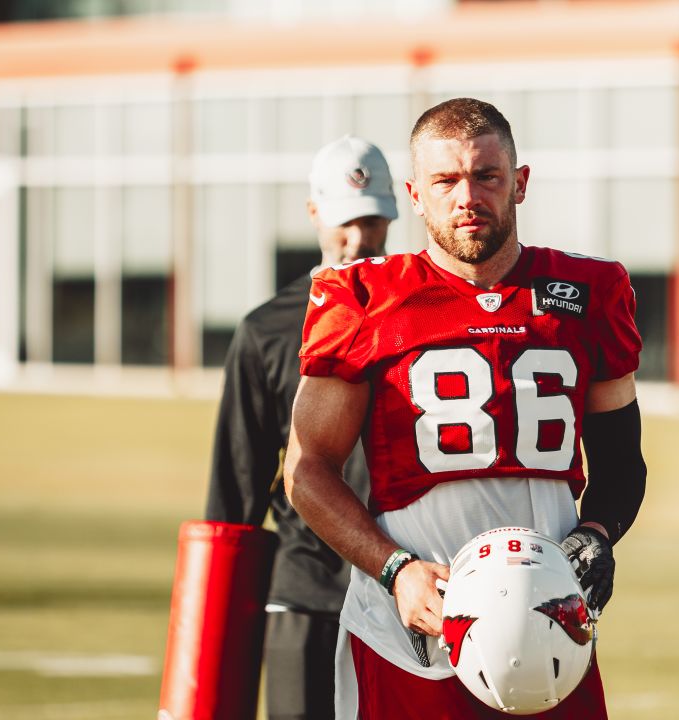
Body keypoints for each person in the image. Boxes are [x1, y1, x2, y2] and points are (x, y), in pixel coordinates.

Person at [284, 98, 648, 719]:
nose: (467, 197)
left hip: (550, 623)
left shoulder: (589, 292)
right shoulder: (364, 296)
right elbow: (307, 471)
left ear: (520, 183)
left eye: (487, 176)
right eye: (445, 181)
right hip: (412, 635)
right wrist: (394, 569)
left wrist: (596, 533)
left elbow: (622, 464)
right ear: (415, 195)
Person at [205, 135, 399, 720]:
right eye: (345, 222)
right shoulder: (264, 333)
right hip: (303, 595)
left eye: (373, 220)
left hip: (404, 593)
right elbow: (234, 493)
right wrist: (211, 647)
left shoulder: (424, 323)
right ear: (314, 214)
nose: (359, 239)